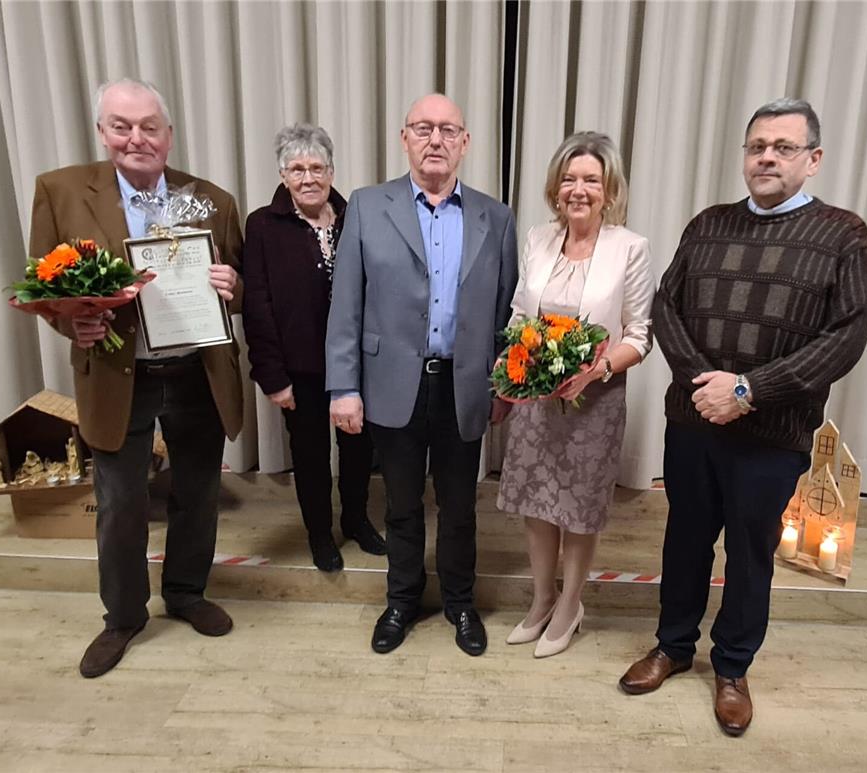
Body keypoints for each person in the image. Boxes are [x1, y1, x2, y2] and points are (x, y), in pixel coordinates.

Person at [620, 99, 867, 735]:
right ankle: (673, 647)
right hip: (693, 424)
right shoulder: (707, 224)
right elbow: (667, 306)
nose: (766, 156)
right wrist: (703, 385)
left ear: (812, 160)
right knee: (684, 540)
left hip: (773, 435)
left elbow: (845, 335)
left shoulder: (844, 234)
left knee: (750, 552)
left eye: (784, 147)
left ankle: (731, 667)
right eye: (757, 145)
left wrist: (749, 390)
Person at [29, 78, 245, 678]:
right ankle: (122, 617)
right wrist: (76, 326)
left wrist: (234, 287)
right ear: (103, 132)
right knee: (120, 503)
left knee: (198, 493)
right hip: (119, 374)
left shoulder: (212, 200)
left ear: (169, 135)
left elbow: (240, 282)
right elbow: (46, 289)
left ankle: (185, 591)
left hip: (196, 373)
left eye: (150, 126)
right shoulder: (60, 191)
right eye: (122, 126)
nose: (136, 138)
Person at [326, 93, 518, 656]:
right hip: (392, 386)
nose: (436, 140)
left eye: (449, 130)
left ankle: (461, 603)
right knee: (403, 505)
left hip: (464, 386)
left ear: (465, 142)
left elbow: (507, 312)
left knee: (460, 507)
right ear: (405, 138)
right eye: (424, 128)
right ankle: (402, 601)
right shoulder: (365, 205)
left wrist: (504, 383)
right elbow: (346, 304)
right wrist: (344, 386)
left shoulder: (496, 216)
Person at [497, 132, 656, 658]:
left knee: (578, 508)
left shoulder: (630, 248)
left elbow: (639, 335)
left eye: (591, 179)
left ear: (609, 190)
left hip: (595, 400)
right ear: (555, 188)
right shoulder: (538, 238)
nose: (578, 189)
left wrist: (595, 371)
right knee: (538, 504)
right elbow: (522, 313)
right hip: (536, 396)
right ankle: (542, 600)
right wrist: (509, 364)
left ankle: (571, 605)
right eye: (569, 179)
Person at [242, 123, 385, 572]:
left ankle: (357, 520)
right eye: (297, 169)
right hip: (297, 368)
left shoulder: (355, 217)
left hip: (356, 365)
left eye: (317, 167)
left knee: (360, 451)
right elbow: (257, 304)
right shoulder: (263, 226)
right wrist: (272, 375)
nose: (308, 178)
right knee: (310, 458)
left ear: (332, 171)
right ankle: (320, 535)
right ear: (283, 176)